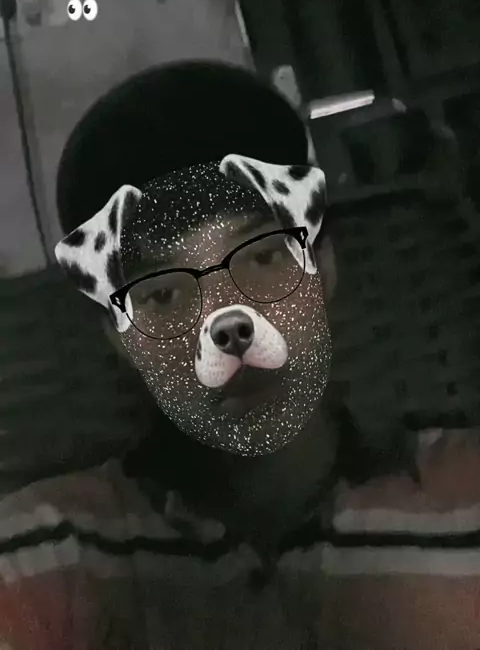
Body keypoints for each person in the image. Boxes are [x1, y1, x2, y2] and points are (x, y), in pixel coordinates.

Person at [0, 60, 479, 650]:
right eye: (165, 294)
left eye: (263, 257)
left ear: (324, 267)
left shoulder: (466, 500)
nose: (228, 322)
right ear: (121, 340)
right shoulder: (51, 554)